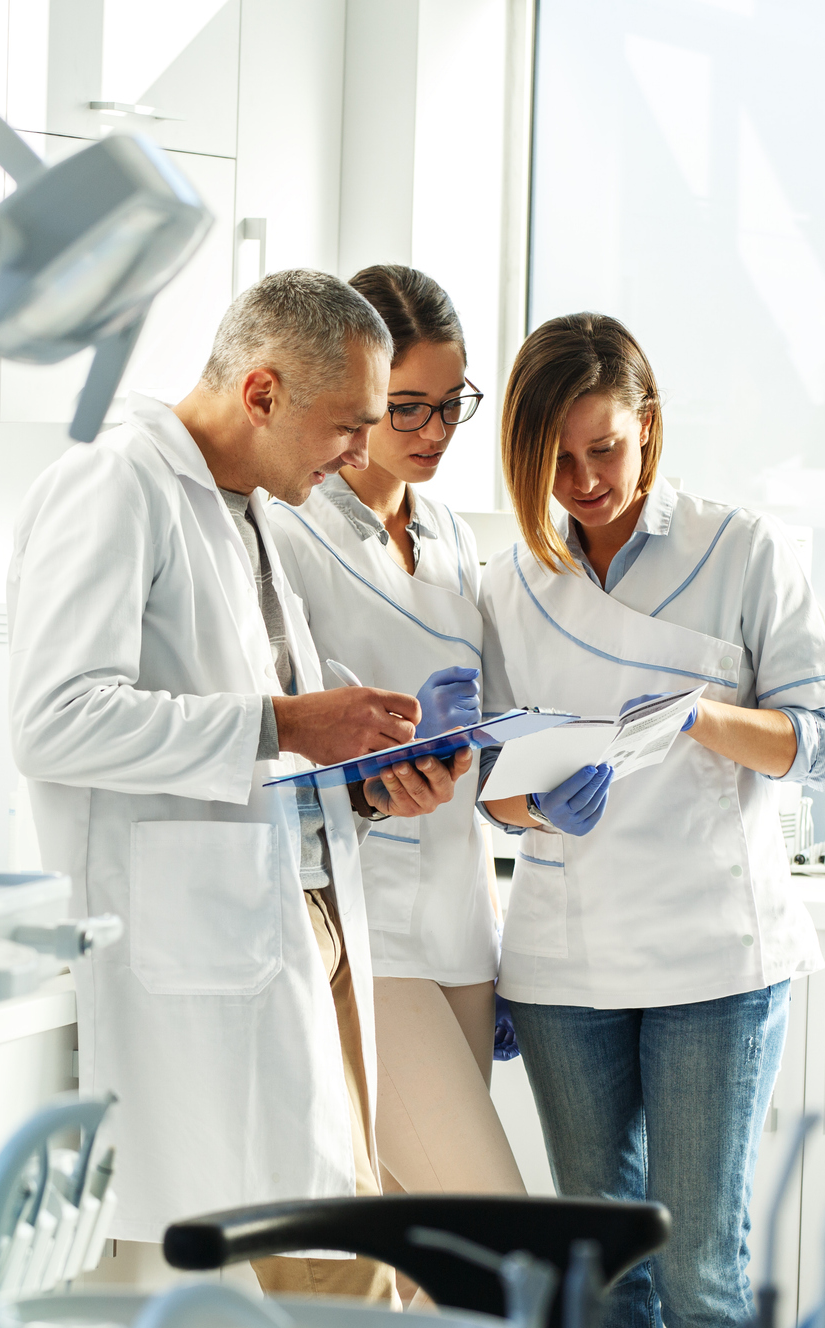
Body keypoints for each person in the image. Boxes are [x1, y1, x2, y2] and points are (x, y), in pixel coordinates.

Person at [7, 268, 476, 1304]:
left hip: (305, 921)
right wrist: (288, 724)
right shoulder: (114, 482)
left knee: (343, 1255)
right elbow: (54, 719)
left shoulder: (246, 504)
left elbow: (264, 732)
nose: (364, 452)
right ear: (262, 392)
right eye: (348, 424)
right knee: (339, 1286)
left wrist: (363, 774)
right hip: (211, 936)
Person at [477, 313, 825, 1328]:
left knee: (702, 1275)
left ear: (647, 426)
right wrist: (533, 808)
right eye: (557, 456)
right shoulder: (510, 585)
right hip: (565, 959)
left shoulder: (742, 551)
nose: (586, 479)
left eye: (606, 448)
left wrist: (699, 719)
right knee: (603, 1275)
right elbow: (490, 792)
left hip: (711, 958)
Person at [260, 265, 526, 1228]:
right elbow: (270, 746)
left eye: (451, 406)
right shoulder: (286, 530)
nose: (432, 434)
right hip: (363, 923)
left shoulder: (454, 536)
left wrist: (523, 772)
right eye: (406, 408)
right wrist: (379, 745)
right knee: (495, 1237)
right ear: (358, 397)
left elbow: (484, 747)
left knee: (422, 1266)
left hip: (460, 920)